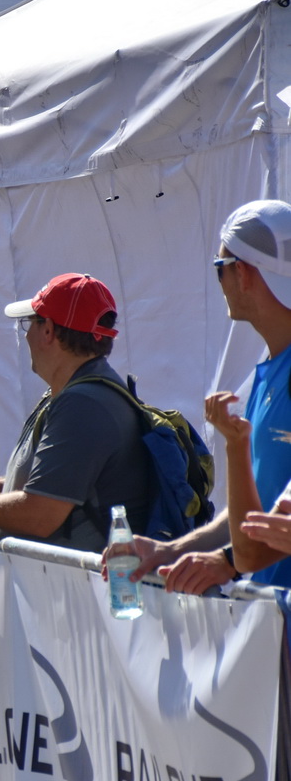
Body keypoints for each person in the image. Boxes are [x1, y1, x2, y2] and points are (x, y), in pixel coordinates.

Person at [0, 274, 152, 551]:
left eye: (29, 323)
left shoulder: (84, 405)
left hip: (76, 590)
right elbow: (34, 494)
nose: (26, 336)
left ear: (48, 331)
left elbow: (39, 515)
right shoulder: (73, 394)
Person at [124, 200, 291, 591]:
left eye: (220, 270)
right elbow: (250, 510)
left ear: (243, 274)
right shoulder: (266, 373)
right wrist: (171, 550)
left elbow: (262, 535)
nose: (219, 283)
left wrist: (229, 561)